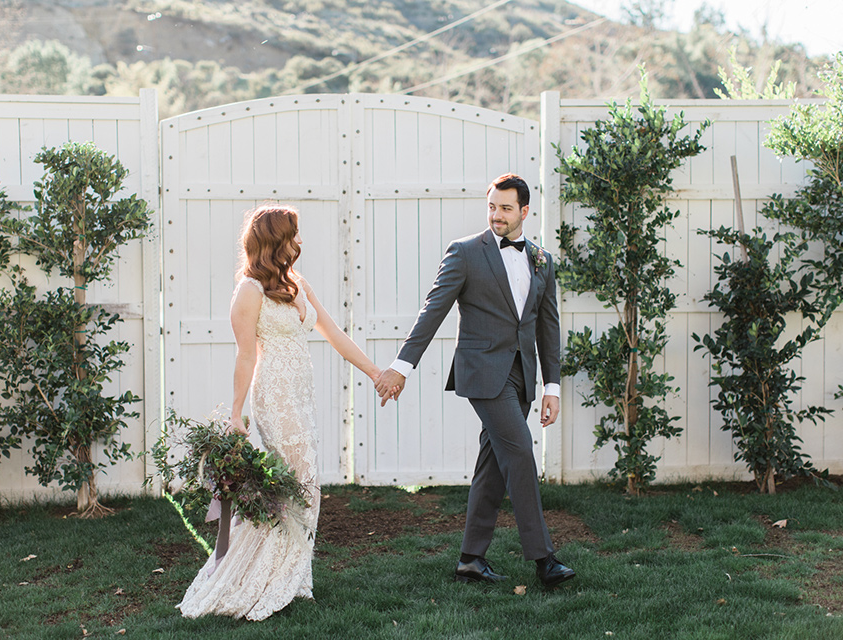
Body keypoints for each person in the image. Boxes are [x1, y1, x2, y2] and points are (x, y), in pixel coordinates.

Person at [178, 204, 388, 621]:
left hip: (301, 396)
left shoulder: (296, 283)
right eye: (293, 234)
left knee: (300, 490)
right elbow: (243, 356)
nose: (300, 241)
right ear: (275, 242)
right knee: (303, 488)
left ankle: (289, 578)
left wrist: (376, 372)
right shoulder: (249, 290)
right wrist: (236, 415)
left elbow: (334, 334)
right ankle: (259, 581)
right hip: (274, 396)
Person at [376, 173, 575, 589]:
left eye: (505, 208)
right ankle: (544, 559)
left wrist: (551, 388)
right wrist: (401, 366)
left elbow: (547, 328)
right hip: (483, 375)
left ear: (524, 211)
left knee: (493, 466)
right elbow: (433, 311)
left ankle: (471, 559)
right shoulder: (466, 253)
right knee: (520, 453)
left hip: (522, 376)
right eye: (491, 206)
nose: (496, 215)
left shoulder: (542, 259)